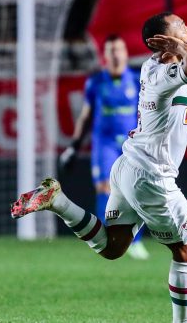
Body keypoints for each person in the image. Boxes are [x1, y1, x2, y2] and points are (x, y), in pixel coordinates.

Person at [13, 12, 187, 323]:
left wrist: (175, 43)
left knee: (113, 247)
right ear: (162, 41)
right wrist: (176, 44)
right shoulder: (162, 74)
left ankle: (59, 202)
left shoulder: (151, 66)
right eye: (181, 26)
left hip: (128, 166)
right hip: (151, 176)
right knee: (186, 250)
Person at [59, 34, 149, 260]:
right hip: (104, 143)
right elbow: (86, 116)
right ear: (105, 56)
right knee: (104, 189)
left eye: (119, 49)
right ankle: (103, 240)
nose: (116, 54)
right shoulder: (96, 82)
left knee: (136, 191)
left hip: (131, 144)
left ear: (126, 53)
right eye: (111, 50)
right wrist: (74, 146)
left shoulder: (138, 80)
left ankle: (134, 243)